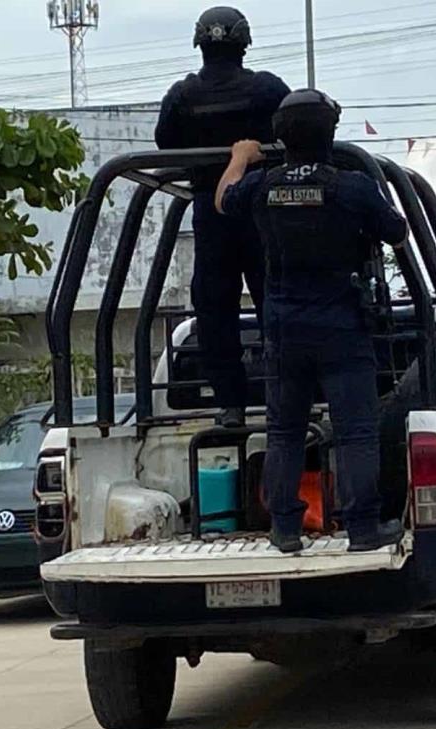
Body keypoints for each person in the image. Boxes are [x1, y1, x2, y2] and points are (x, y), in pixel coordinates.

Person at [215, 89, 409, 553]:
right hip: (341, 323)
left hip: (284, 325)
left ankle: (284, 528)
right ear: (331, 132)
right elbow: (397, 230)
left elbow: (223, 201)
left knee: (283, 429)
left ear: (281, 135)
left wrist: (241, 157)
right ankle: (361, 528)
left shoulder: (263, 186)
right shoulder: (352, 186)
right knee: (356, 430)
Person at [155, 7, 290, 428]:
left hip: (210, 217)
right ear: (244, 43)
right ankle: (285, 396)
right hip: (262, 214)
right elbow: (296, 129)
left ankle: (231, 404)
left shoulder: (181, 96)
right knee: (277, 303)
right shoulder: (268, 90)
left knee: (214, 308)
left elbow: (165, 143)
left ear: (201, 44)